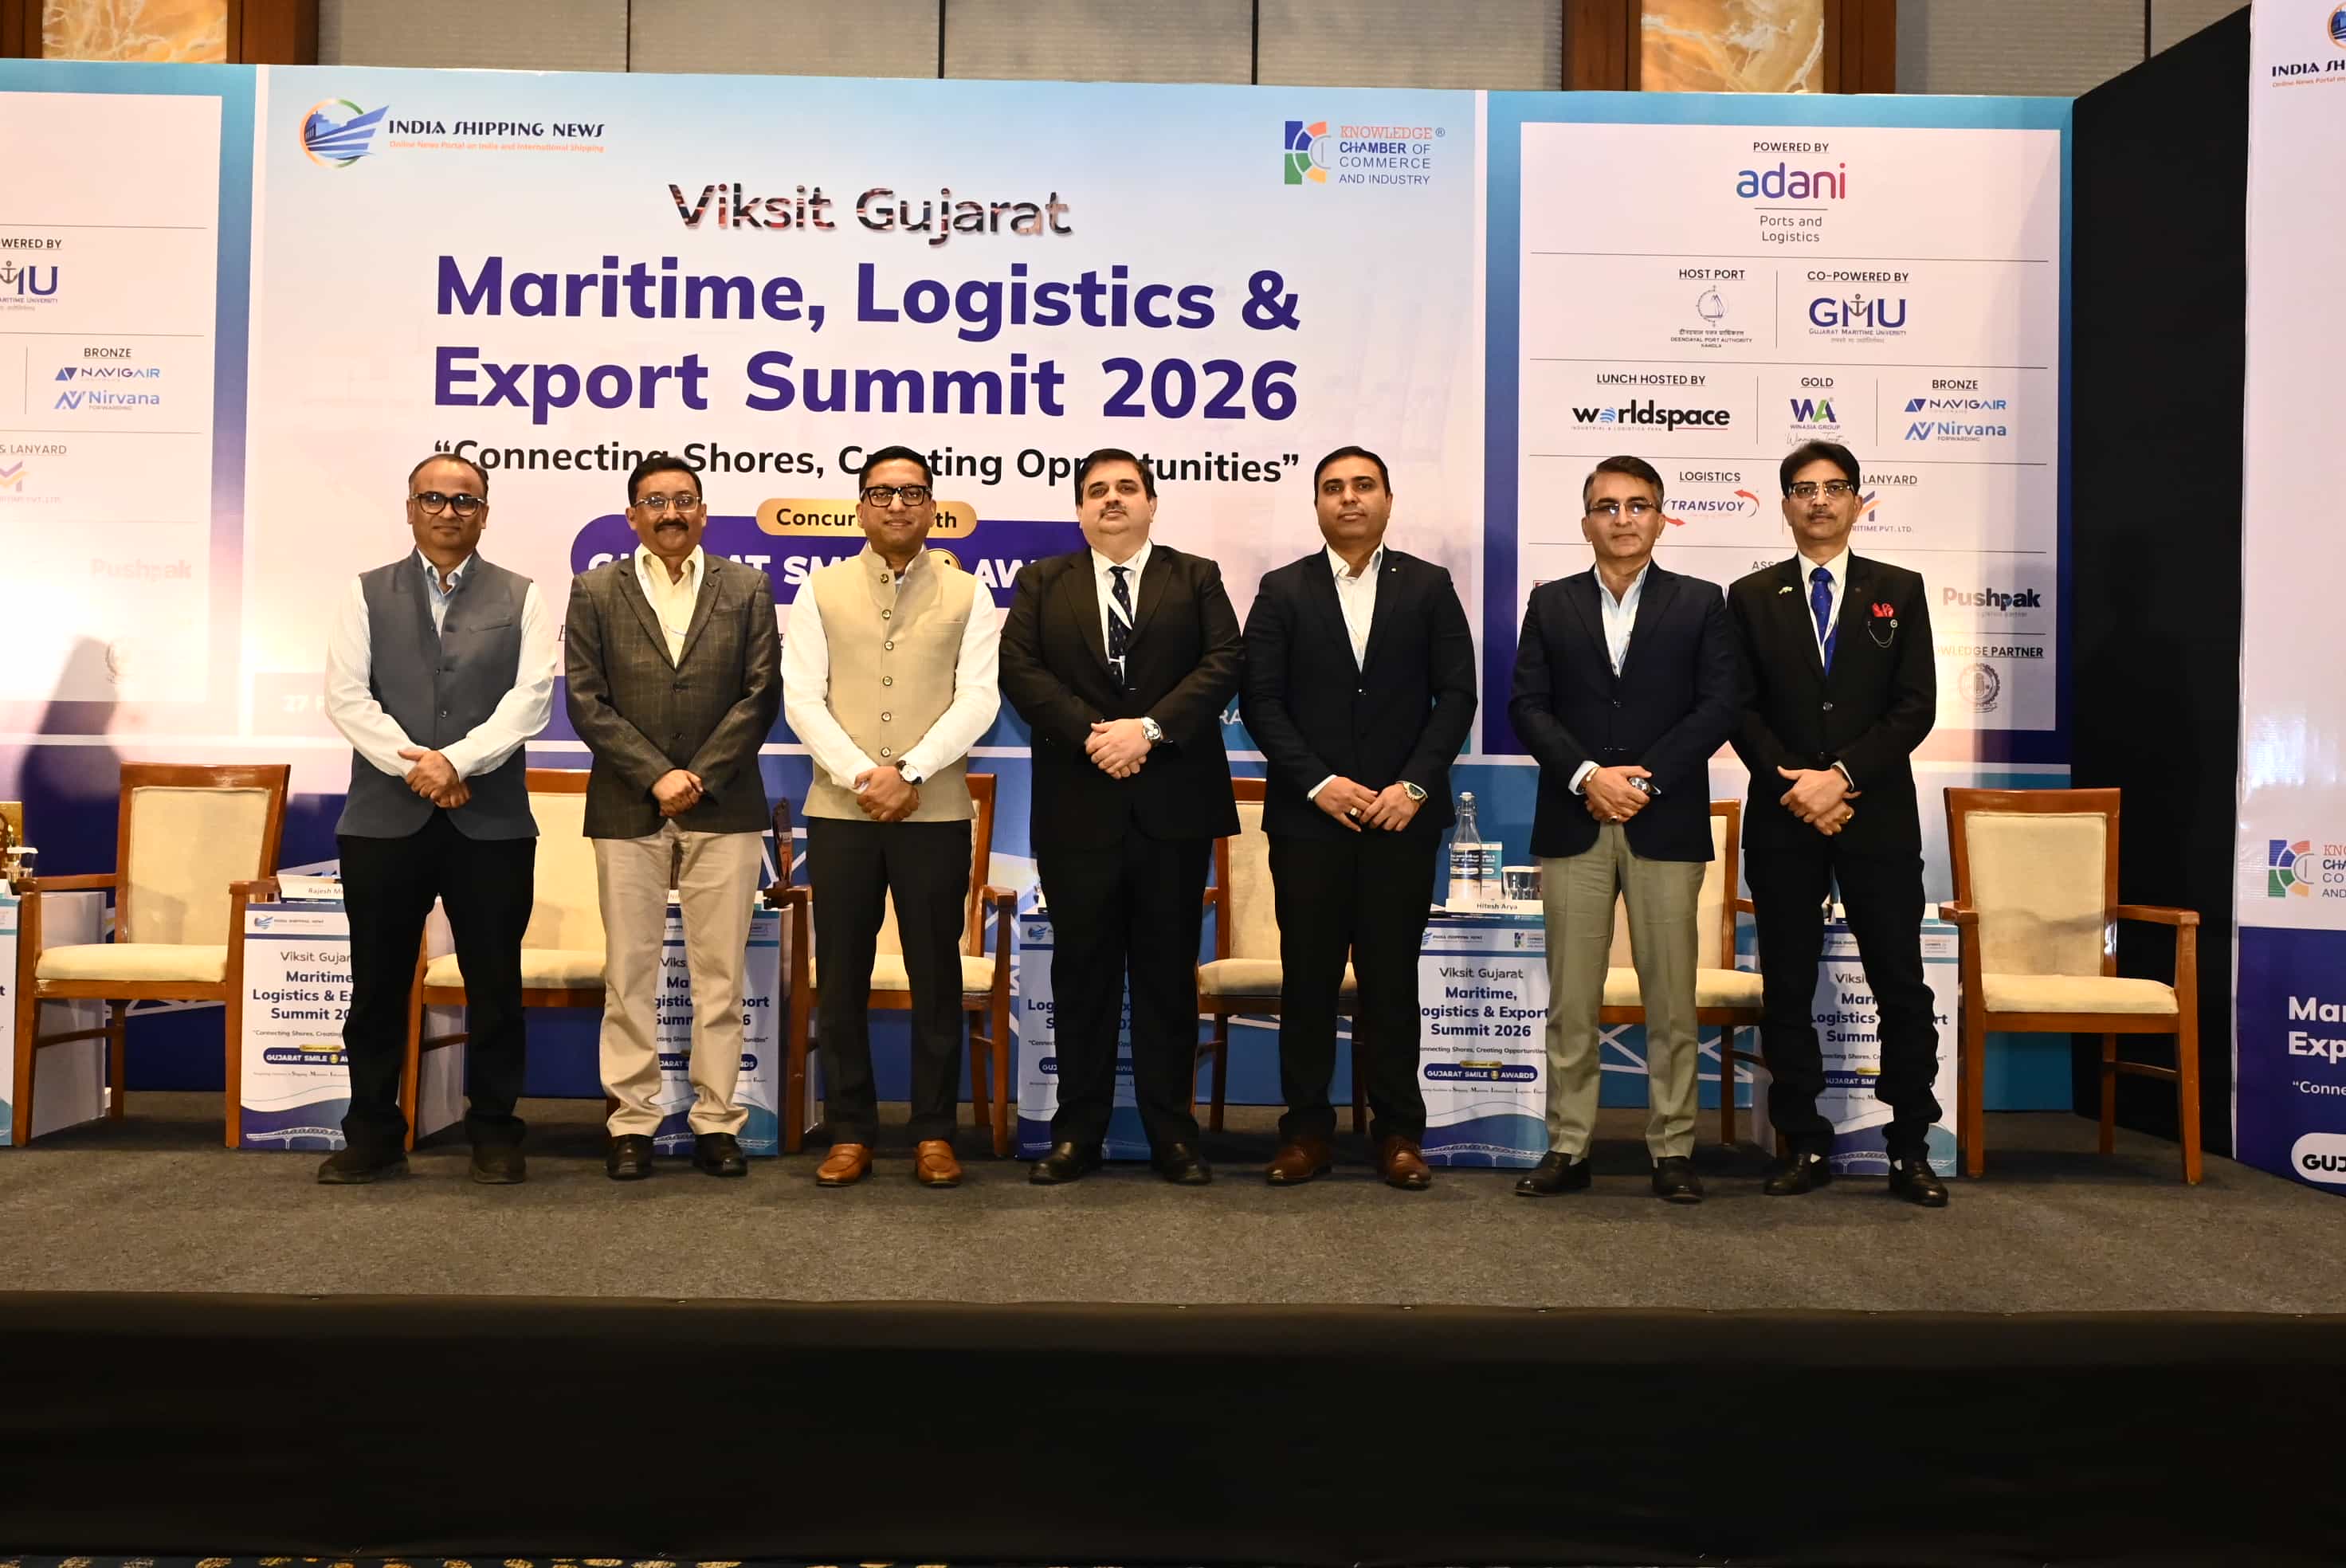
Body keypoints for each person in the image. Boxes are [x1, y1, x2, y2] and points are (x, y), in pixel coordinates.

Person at [998, 448, 1242, 1185]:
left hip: (1173, 808)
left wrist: (1150, 731)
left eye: (1127, 488)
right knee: (1083, 977)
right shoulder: (1043, 581)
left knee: (1168, 977)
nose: (1112, 499)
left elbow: (1224, 663)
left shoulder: (1195, 576)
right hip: (1078, 808)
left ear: (1151, 503)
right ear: (1079, 509)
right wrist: (1097, 736)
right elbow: (1020, 670)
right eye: (1097, 490)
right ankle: (1078, 1134)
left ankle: (1174, 1137)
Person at [1238, 445, 1476, 1190]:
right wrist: (1318, 783)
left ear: (1388, 500)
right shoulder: (1282, 589)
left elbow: (1457, 696)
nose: (1349, 498)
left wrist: (1414, 787)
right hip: (1310, 823)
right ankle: (1306, 1132)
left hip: (1401, 822)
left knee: (1391, 981)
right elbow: (1261, 702)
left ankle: (1399, 1133)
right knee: (1308, 981)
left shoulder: (1429, 586)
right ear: (1317, 505)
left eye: (1363, 486)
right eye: (1333, 488)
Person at [1508, 455, 1740, 1203]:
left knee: (1671, 1000)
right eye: (1606, 506)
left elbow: (1718, 705)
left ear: (1661, 518)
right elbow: (1527, 706)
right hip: (1575, 818)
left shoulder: (1700, 602)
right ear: (1586, 522)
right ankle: (1568, 1147)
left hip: (1662, 820)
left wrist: (1644, 779)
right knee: (1571, 1001)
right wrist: (1589, 776)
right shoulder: (1551, 603)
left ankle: (1673, 1150)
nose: (1622, 518)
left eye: (1638, 505)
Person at [320, 453, 556, 1185]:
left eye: (465, 501)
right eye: (433, 498)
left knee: (495, 987)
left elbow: (531, 699)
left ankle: (494, 1132)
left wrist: (455, 762)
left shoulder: (523, 595)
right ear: (410, 508)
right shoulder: (365, 592)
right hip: (383, 821)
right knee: (377, 987)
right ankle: (372, 1133)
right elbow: (347, 697)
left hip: (492, 824)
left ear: (485, 513)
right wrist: (417, 769)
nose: (448, 512)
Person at [1727, 439, 1946, 1206]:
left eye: (1834, 487)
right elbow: (1739, 708)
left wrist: (1843, 778)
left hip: (1875, 812)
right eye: (1804, 488)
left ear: (1857, 501)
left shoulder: (1900, 589)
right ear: (1785, 504)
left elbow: (1915, 706)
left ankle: (1910, 1148)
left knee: (1901, 985)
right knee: (1788, 986)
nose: (1819, 500)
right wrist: (1798, 784)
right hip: (1785, 813)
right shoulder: (1751, 596)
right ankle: (1803, 1142)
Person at [782, 445, 1000, 1189]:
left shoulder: (970, 594)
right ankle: (851, 1132)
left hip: (933, 812)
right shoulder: (819, 589)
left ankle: (935, 1133)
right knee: (841, 974)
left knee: (936, 973)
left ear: (932, 506)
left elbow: (979, 698)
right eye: (882, 493)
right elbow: (802, 698)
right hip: (840, 812)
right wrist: (861, 776)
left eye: (912, 492)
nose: (897, 505)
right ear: (861, 508)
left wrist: (908, 773)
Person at [566, 454, 782, 1182]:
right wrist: (656, 774)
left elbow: (761, 694)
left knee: (720, 975)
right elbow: (585, 700)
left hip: (726, 804)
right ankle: (631, 1122)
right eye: (655, 501)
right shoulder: (595, 589)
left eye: (684, 500)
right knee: (629, 974)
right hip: (627, 803)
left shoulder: (746, 587)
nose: (671, 513)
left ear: (703, 512)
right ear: (632, 515)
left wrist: (700, 776)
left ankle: (717, 1122)